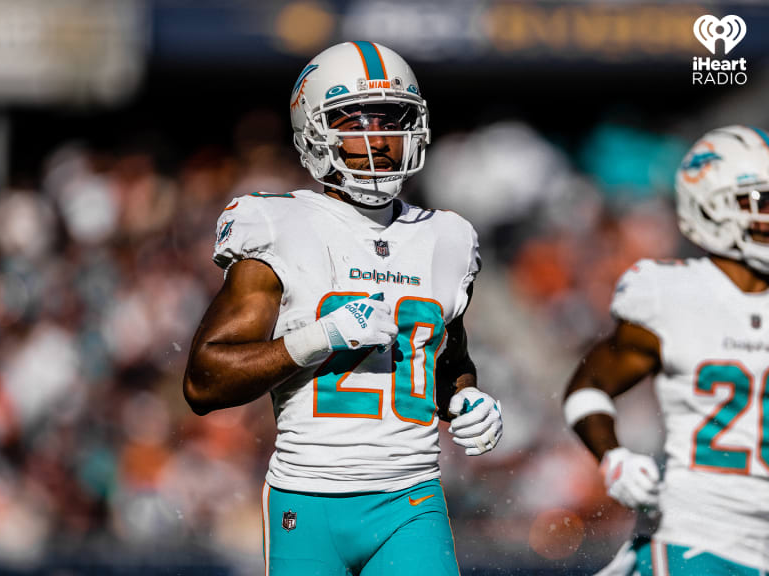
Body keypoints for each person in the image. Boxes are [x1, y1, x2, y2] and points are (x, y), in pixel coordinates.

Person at [182, 42, 502, 575]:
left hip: (411, 498)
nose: (380, 139)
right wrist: (318, 337)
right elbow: (203, 382)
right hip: (307, 500)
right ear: (315, 133)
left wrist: (466, 398)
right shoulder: (276, 225)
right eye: (356, 122)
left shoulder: (447, 236)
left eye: (393, 119)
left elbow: (445, 358)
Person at [563, 125, 769, 575]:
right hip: (699, 535)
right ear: (711, 207)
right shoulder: (672, 294)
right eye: (761, 204)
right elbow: (589, 386)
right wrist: (613, 458)